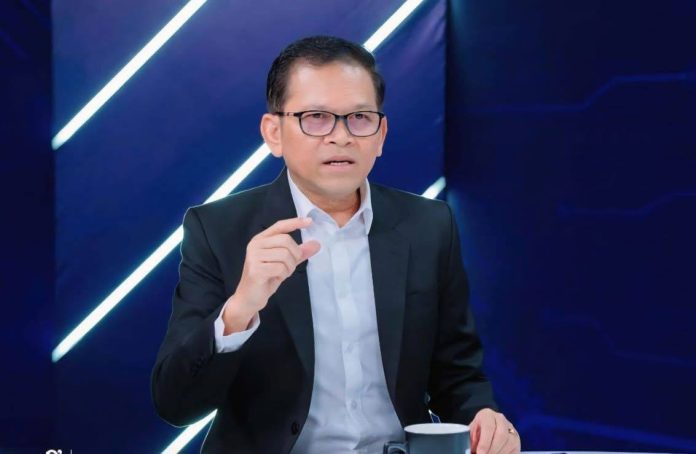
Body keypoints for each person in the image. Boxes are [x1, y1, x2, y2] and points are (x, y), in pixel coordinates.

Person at [151, 35, 521, 454]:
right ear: (274, 133)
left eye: (359, 118)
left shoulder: (429, 225)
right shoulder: (219, 230)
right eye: (316, 118)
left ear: (381, 135)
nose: (341, 136)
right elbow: (175, 404)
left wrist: (484, 418)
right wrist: (239, 309)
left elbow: (457, 375)